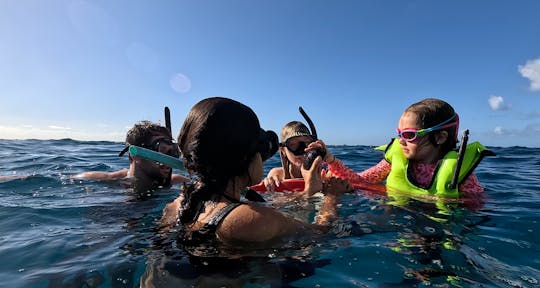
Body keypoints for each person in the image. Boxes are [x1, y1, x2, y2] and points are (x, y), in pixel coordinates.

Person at [159, 97, 353, 248]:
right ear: (247, 158)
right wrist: (331, 197)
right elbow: (320, 235)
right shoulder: (255, 219)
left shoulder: (178, 205)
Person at [310, 98, 493, 200]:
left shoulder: (459, 176)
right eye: (399, 134)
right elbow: (362, 181)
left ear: (440, 137)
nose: (400, 141)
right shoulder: (396, 160)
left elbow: (477, 205)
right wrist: (330, 160)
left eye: (409, 135)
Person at [74, 120, 189, 191]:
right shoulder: (105, 180)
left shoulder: (178, 182)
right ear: (135, 154)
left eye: (173, 151)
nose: (169, 159)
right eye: (162, 149)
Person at [263, 121, 316, 189]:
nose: (302, 150)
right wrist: (269, 184)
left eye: (307, 143)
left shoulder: (320, 173)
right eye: (293, 144)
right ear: (283, 150)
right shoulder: (277, 174)